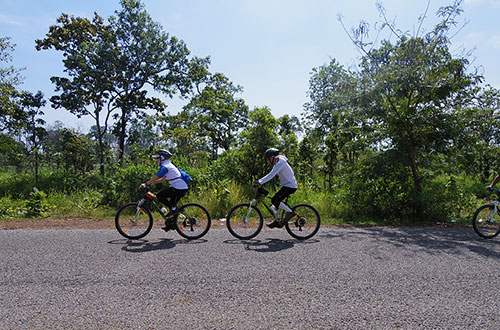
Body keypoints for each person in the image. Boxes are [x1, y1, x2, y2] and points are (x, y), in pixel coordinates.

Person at [140, 149, 189, 232]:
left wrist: (146, 184)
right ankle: (171, 223)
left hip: (179, 188)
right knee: (171, 207)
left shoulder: (165, 166)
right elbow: (164, 179)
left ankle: (174, 210)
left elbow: (156, 176)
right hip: (178, 187)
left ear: (162, 158)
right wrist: (153, 183)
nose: (156, 160)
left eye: (158, 158)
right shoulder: (168, 165)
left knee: (159, 196)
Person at [253, 148, 297, 228]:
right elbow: (271, 175)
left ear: (273, 157)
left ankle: (291, 213)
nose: (267, 161)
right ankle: (278, 220)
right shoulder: (278, 163)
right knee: (275, 201)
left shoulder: (281, 163)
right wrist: (260, 181)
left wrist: (259, 181)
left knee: (275, 200)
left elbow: (271, 175)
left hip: (290, 186)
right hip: (287, 186)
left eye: (268, 159)